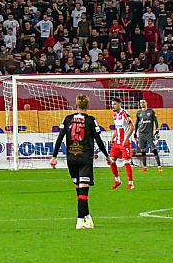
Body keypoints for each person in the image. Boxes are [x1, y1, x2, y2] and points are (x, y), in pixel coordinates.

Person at [50, 94, 113, 229]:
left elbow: (60, 138)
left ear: (76, 106)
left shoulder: (67, 119)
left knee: (79, 191)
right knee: (83, 192)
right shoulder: (90, 120)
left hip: (71, 158)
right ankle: (79, 221)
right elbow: (98, 139)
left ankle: (88, 218)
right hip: (85, 158)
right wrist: (107, 156)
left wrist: (54, 156)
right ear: (88, 106)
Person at [107, 99, 135, 190]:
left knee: (126, 162)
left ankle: (131, 183)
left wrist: (126, 139)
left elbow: (132, 127)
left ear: (120, 104)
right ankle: (117, 180)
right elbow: (117, 129)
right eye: (112, 104)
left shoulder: (125, 114)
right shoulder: (115, 115)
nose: (113, 106)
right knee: (111, 160)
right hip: (117, 142)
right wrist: (112, 138)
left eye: (115, 104)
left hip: (124, 143)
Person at [134, 99, 162, 172]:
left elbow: (155, 120)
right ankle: (145, 167)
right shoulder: (139, 113)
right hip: (141, 134)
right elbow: (136, 123)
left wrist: (157, 128)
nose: (142, 104)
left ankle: (159, 166)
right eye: (140, 103)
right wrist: (135, 132)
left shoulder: (151, 111)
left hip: (149, 134)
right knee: (142, 150)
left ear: (146, 103)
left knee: (153, 149)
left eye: (143, 102)